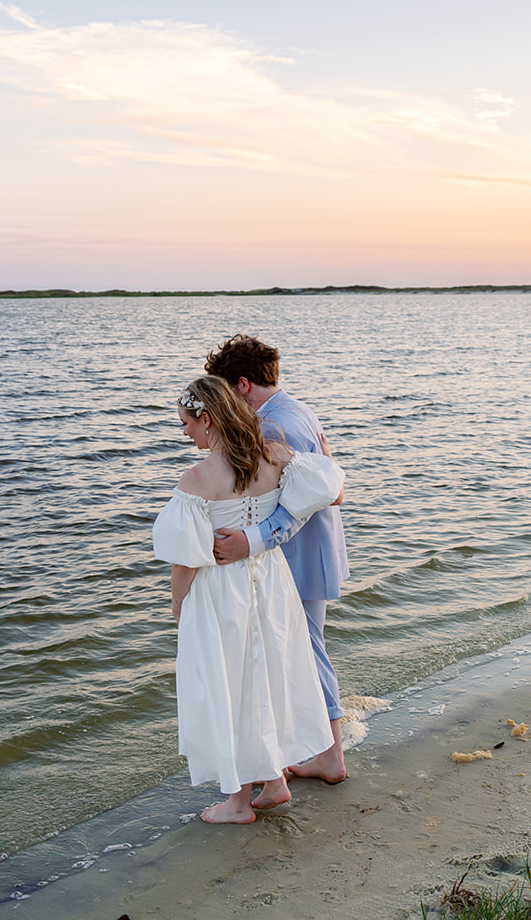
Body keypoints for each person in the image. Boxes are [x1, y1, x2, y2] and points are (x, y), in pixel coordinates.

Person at [152, 375, 343, 824]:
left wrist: (178, 605)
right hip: (270, 581)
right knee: (266, 674)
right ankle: (274, 780)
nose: (184, 433)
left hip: (220, 589)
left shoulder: (198, 478)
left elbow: (185, 560)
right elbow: (328, 489)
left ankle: (238, 803)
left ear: (208, 418)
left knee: (228, 683)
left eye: (187, 423)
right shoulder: (272, 458)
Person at [205, 335, 350, 794]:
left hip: (300, 556)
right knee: (305, 651)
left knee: (308, 653)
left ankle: (329, 757)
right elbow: (327, 485)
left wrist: (250, 540)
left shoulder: (272, 429)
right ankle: (314, 753)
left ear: (242, 385)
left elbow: (303, 504)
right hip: (315, 551)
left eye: (225, 391)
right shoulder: (295, 410)